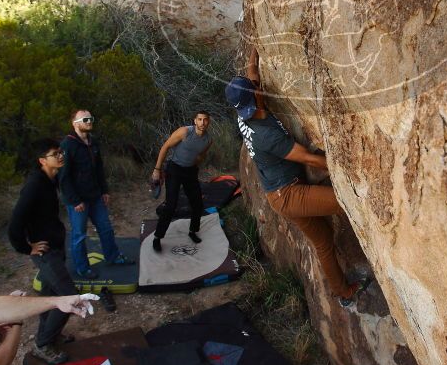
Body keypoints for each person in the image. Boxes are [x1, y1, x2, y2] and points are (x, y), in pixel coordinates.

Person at [225, 48, 368, 307]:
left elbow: (252, 73)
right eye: (248, 109)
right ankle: (345, 291)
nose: (251, 111)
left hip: (280, 193)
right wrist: (349, 172)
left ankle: (344, 294)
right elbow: (308, 159)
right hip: (289, 195)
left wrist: (255, 52)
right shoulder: (266, 135)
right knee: (348, 201)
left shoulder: (244, 108)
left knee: (324, 242)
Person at [8, 138, 77, 365]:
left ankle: (49, 336)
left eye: (60, 152)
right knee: (68, 297)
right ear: (41, 160)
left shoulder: (50, 179)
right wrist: (27, 248)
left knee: (50, 297)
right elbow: (15, 224)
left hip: (55, 245)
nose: (60, 156)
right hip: (44, 252)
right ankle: (42, 345)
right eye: (54, 154)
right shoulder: (35, 185)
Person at [58, 109, 133, 279]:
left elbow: (99, 169)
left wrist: (104, 190)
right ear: (75, 123)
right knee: (79, 235)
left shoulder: (93, 142)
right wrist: (74, 200)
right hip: (78, 200)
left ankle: (113, 256)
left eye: (91, 118)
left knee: (106, 228)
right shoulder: (67, 145)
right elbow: (63, 177)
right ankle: (82, 268)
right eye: (85, 119)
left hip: (95, 196)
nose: (89, 121)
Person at [150, 111, 213, 251]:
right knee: (171, 205)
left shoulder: (208, 140)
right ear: (195, 121)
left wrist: (195, 162)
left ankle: (192, 231)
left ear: (209, 122)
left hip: (190, 171)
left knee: (197, 203)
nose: (202, 122)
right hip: (175, 169)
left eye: (205, 120)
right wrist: (157, 169)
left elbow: (202, 155)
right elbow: (165, 146)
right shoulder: (184, 132)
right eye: (200, 119)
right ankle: (157, 238)